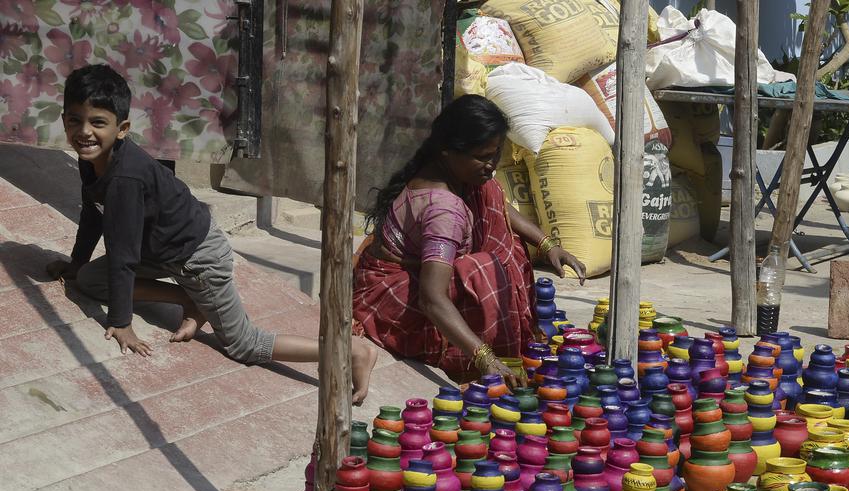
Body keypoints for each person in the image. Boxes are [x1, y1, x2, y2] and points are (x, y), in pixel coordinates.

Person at [45, 64, 378, 404]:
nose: (84, 132)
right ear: (64, 121)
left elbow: (123, 255)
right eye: (75, 121)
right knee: (88, 279)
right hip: (162, 253)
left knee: (244, 344)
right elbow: (92, 215)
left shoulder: (125, 179)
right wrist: (76, 262)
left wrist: (121, 322)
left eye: (97, 122)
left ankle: (349, 352)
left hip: (198, 259)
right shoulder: (92, 158)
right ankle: (188, 299)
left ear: (122, 129)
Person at [352, 94, 586, 387]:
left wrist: (548, 245)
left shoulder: (454, 174)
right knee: (483, 270)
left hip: (413, 274)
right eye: (482, 156)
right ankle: (479, 361)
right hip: (400, 306)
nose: (491, 165)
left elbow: (499, 206)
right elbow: (431, 298)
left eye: (496, 154)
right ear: (448, 152)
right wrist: (484, 358)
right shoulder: (444, 211)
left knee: (507, 246)